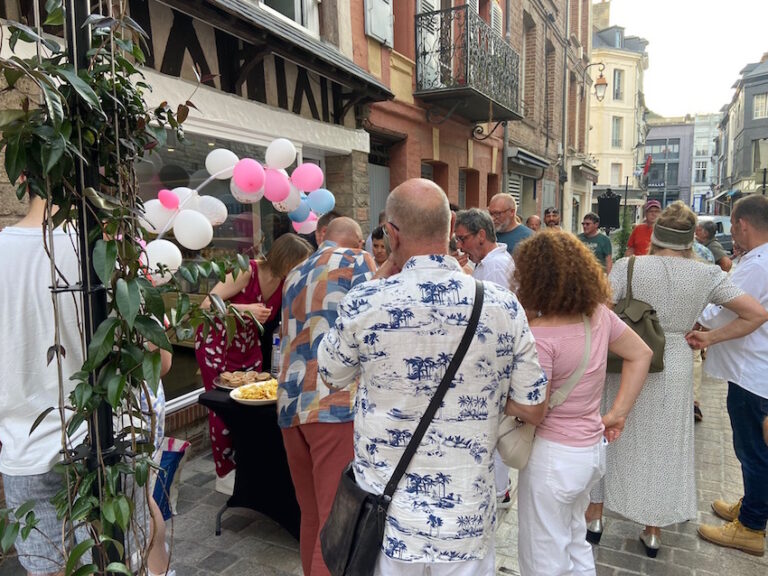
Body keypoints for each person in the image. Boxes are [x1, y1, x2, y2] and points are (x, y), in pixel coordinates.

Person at [317, 178, 548, 575]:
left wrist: (383, 273)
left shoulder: (366, 301)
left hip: (388, 522)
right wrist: (481, 396)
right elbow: (533, 405)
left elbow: (330, 374)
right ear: (450, 225)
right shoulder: (501, 305)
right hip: (466, 520)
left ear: (391, 233)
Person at [0, 193, 174, 576]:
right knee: (135, 550)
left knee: (54, 567)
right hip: (110, 440)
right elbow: (158, 364)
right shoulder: (110, 253)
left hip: (25, 447)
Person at [586, 202, 768, 557]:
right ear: (690, 240)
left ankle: (596, 514)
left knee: (613, 435)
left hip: (629, 358)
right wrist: (709, 338)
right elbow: (757, 313)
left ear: (655, 235)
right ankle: (653, 528)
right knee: (665, 445)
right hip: (677, 360)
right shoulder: (708, 274)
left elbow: (600, 309)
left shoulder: (629, 266)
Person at [514, 231, 651, 576]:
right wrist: (617, 414)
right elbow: (641, 353)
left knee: (543, 554)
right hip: (591, 449)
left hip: (552, 458)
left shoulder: (540, 337)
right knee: (575, 538)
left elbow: (535, 410)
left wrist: (503, 402)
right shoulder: (598, 317)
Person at [279, 217, 376, 576]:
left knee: (311, 515)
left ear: (324, 237)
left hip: (291, 404)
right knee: (336, 523)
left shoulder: (294, 272)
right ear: (357, 241)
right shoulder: (358, 261)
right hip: (334, 404)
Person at [195, 233, 312, 487]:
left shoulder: (285, 282)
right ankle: (224, 473)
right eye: (300, 263)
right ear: (286, 259)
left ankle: (247, 465)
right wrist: (245, 310)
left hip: (248, 344)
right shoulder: (245, 271)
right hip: (218, 343)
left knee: (252, 406)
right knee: (222, 406)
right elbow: (206, 305)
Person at [693, 195, 768, 557]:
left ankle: (752, 526)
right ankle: (752, 504)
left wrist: (703, 328)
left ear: (741, 224)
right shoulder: (757, 260)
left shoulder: (757, 266)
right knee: (752, 448)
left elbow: (727, 308)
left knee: (752, 450)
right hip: (754, 370)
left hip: (753, 374)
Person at [454, 208, 516, 507]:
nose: (461, 245)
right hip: (488, 361)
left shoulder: (494, 267)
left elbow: (496, 319)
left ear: (481, 235)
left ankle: (499, 490)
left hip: (492, 362)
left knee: (495, 428)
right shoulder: (486, 264)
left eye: (463, 238)